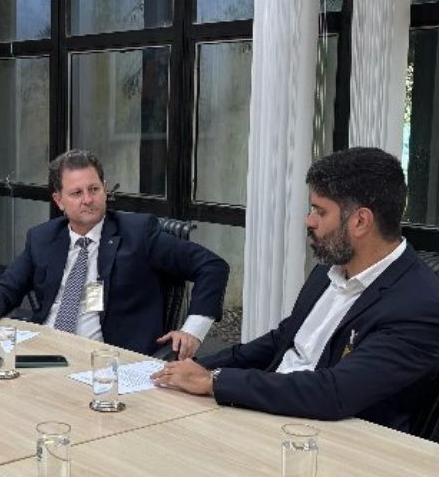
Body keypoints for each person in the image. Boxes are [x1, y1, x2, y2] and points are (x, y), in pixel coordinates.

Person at [151, 147, 439, 432]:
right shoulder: (328, 271)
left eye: (320, 211)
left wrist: (214, 381)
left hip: (335, 444)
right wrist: (196, 366)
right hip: (269, 416)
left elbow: (334, 392)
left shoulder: (419, 303)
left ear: (360, 221)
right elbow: (282, 340)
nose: (309, 221)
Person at [0, 149, 229, 359]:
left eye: (94, 189)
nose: (88, 199)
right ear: (58, 200)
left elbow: (212, 266)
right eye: (76, 193)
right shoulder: (43, 237)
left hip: (105, 359)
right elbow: (10, 284)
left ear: (105, 188)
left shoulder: (138, 234)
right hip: (44, 353)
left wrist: (193, 331)